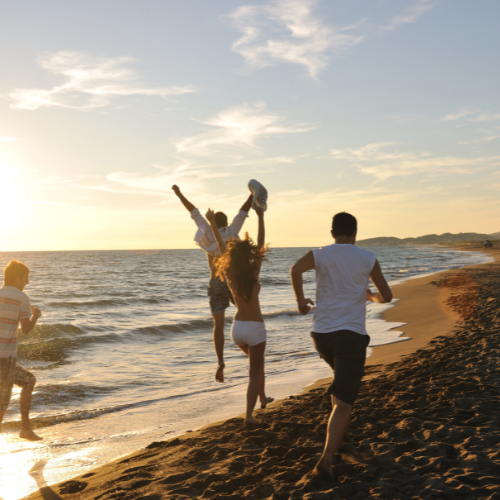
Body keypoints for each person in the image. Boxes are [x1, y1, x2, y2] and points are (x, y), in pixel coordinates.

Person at [290, 212, 392, 481]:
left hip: (321, 335)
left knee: (340, 384)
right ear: (355, 233)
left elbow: (295, 270)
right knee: (345, 400)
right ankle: (325, 461)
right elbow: (387, 295)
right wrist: (371, 296)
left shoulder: (320, 253)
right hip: (350, 337)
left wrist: (300, 301)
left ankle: (339, 438)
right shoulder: (367, 257)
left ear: (333, 232)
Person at [172, 185, 254, 383]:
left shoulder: (207, 232)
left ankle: (220, 361)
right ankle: (252, 349)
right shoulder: (233, 230)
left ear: (212, 222)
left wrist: (179, 193)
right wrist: (253, 194)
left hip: (216, 281)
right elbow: (243, 211)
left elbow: (193, 211)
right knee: (248, 313)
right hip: (233, 279)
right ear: (227, 222)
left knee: (218, 325)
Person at [206, 204, 273, 426]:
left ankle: (263, 399)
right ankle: (249, 415)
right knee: (254, 373)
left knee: (258, 366)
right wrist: (261, 216)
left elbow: (221, 246)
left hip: (237, 329)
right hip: (254, 328)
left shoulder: (229, 272)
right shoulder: (253, 271)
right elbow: (262, 243)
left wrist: (212, 224)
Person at [0, 260, 43, 441]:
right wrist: (35, 316)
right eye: (26, 278)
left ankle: (25, 428)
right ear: (17, 279)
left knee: (29, 380)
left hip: (6, 358)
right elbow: (26, 329)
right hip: (4, 358)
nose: (28, 282)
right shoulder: (21, 297)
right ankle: (25, 429)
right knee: (2, 403)